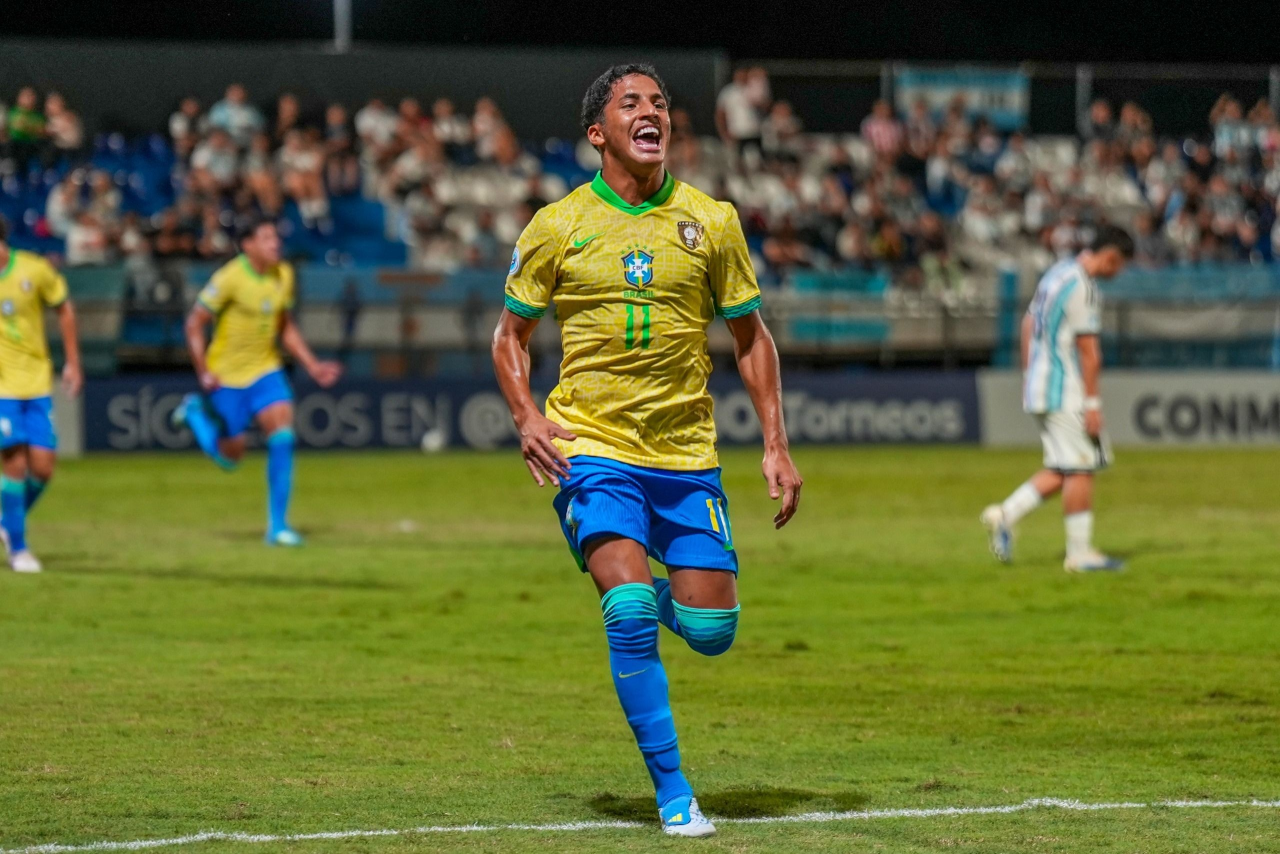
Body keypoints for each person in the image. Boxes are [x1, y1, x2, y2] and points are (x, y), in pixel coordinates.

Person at [491, 64, 802, 838]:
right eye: (631, 103)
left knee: (710, 633)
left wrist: (775, 443)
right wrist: (527, 416)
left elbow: (750, 339)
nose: (651, 111)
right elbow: (510, 337)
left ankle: (661, 601)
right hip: (589, 445)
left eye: (659, 102)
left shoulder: (711, 221)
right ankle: (674, 793)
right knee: (628, 611)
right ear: (599, 132)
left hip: (685, 452)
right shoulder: (558, 224)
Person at [173, 218, 342, 546]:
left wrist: (312, 364)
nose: (275, 243)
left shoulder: (284, 275)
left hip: (266, 370)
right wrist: (203, 370)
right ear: (247, 245)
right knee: (231, 458)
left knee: (283, 434)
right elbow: (194, 323)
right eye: (266, 238)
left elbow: (285, 326)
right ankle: (195, 414)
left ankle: (277, 526)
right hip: (228, 376)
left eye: (276, 237)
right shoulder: (230, 278)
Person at [981, 225, 1135, 572]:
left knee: (1063, 467)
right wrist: (1093, 405)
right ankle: (1079, 555)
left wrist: (1028, 374)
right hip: (1064, 389)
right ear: (1110, 256)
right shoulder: (1084, 286)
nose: (1119, 271)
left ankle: (1005, 515)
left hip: (1039, 384)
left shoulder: (1057, 273)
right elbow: (1089, 352)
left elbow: (1026, 324)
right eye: (1120, 264)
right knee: (1082, 466)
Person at [0, 215, 83, 572]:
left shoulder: (34, 270)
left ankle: (6, 520)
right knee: (14, 464)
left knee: (44, 469)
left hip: (36, 383)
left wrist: (73, 363)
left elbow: (64, 307)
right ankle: (19, 549)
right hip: (2, 389)